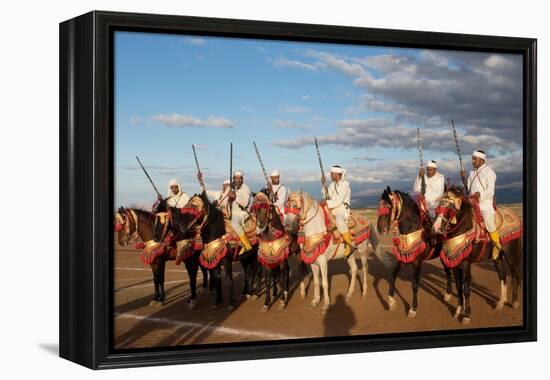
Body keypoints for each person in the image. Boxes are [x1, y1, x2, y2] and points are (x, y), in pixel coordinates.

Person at [461, 149, 501, 260]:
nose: (473, 161)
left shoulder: (490, 172)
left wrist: (479, 195)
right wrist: (463, 179)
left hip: (484, 203)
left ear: (482, 160)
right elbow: (469, 190)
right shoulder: (472, 173)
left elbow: (490, 191)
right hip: (471, 203)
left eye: (475, 159)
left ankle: (497, 245)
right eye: (472, 159)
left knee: (487, 218)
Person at [319, 165, 353, 256]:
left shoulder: (345, 185)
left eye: (332, 173)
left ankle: (349, 244)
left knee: (339, 220)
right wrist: (323, 184)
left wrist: (326, 202)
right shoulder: (332, 185)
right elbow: (327, 196)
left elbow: (338, 201)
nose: (330, 175)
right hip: (333, 209)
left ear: (337, 174)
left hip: (342, 209)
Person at [228, 170, 253, 254]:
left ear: (242, 179)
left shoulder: (246, 188)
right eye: (236, 178)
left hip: (242, 213)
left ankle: (247, 244)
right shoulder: (232, 187)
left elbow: (245, 203)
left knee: (234, 223)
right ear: (233, 179)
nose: (238, 180)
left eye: (240, 178)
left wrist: (235, 198)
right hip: (232, 212)